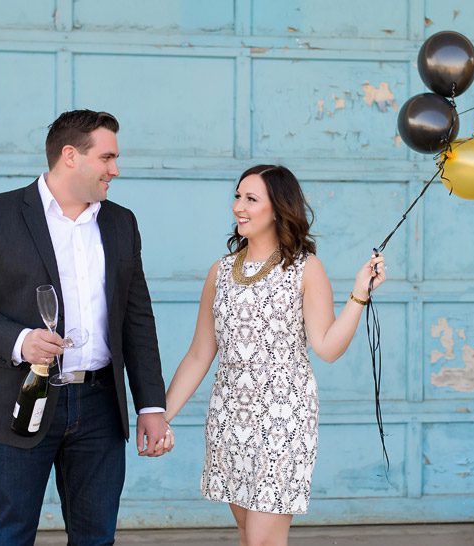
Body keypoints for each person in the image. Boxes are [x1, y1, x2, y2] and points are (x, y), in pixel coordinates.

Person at [0, 110, 172, 546]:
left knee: (96, 538)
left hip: (100, 407)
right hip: (20, 399)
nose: (115, 169)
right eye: (107, 157)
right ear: (70, 155)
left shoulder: (120, 222)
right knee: (7, 536)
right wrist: (21, 341)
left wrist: (150, 406)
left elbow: (137, 319)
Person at [161, 165, 386, 546]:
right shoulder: (220, 272)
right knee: (251, 538)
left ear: (279, 209)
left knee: (264, 541)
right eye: (237, 196)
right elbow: (200, 354)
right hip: (230, 419)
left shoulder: (306, 269)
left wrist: (359, 294)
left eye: (251, 199)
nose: (238, 207)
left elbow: (328, 347)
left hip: (283, 421)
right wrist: (160, 416)